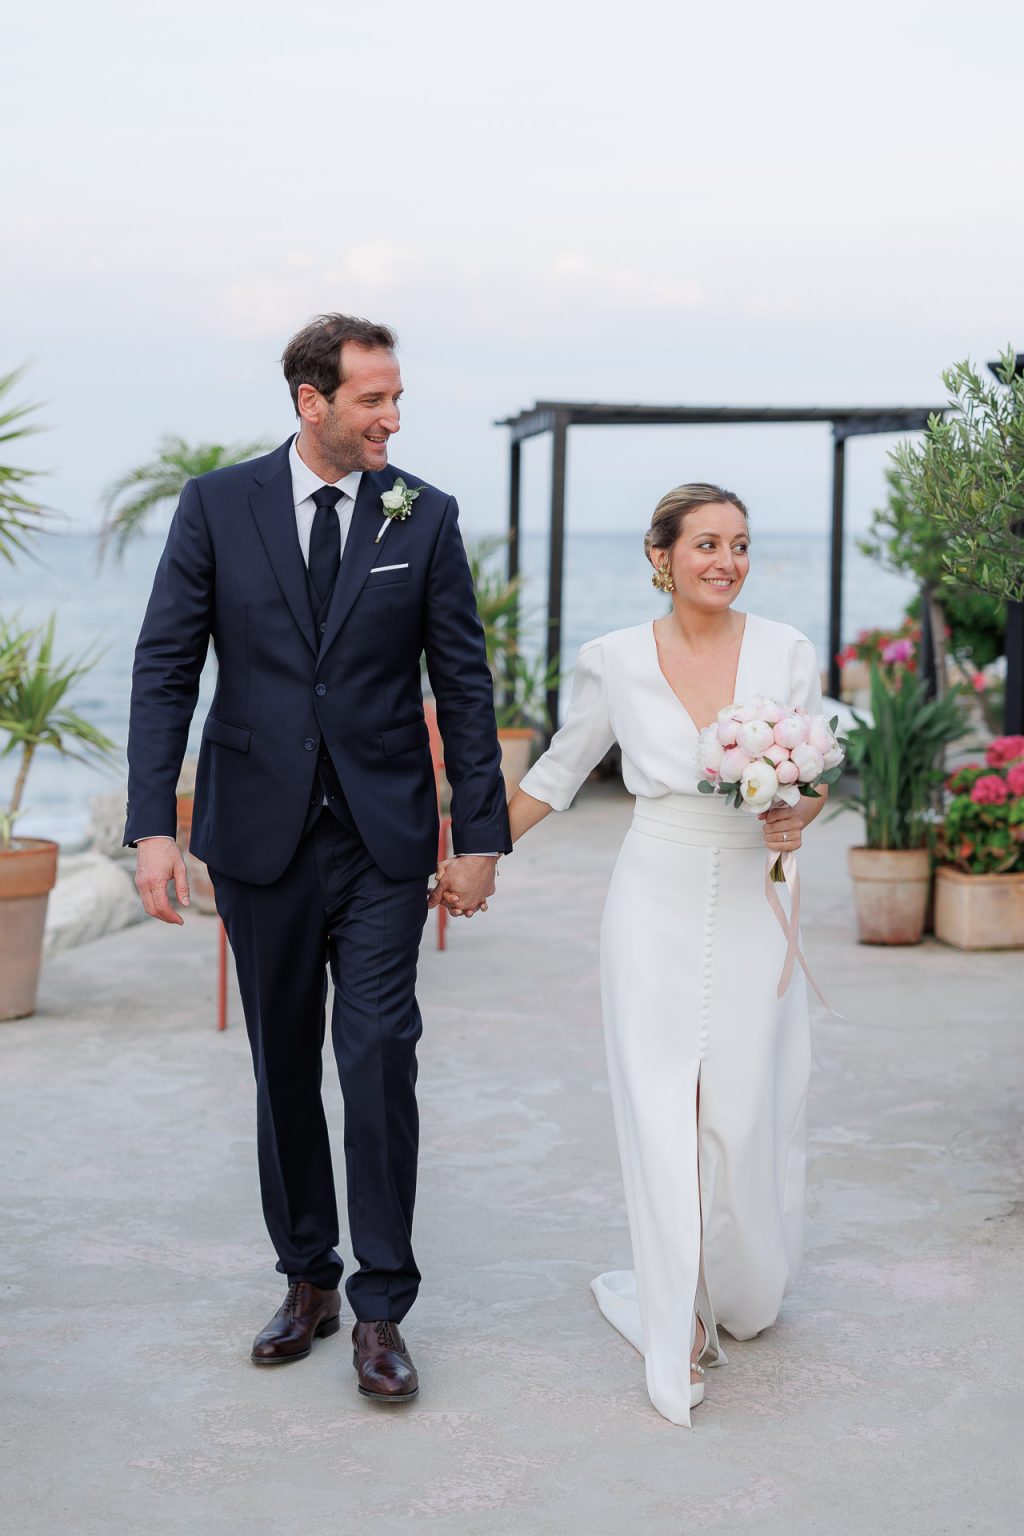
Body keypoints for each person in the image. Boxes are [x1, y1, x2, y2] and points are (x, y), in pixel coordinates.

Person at [125, 312, 510, 1403]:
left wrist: (478, 835)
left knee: (380, 1054)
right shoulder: (216, 506)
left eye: (396, 398)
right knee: (283, 1062)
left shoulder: (422, 516)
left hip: (384, 838)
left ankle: (382, 1306)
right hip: (258, 836)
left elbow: (464, 688)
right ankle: (309, 1277)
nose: (392, 416)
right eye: (372, 400)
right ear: (312, 403)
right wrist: (155, 825)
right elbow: (166, 666)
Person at [497, 483, 827, 1427]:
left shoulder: (786, 651)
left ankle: (737, 1286)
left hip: (758, 894)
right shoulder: (613, 661)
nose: (725, 560)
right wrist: (472, 860)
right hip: (655, 896)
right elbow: (558, 773)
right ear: (662, 556)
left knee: (740, 1115)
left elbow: (817, 779)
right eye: (706, 544)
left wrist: (796, 814)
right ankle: (674, 1317)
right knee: (659, 1110)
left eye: (740, 544)